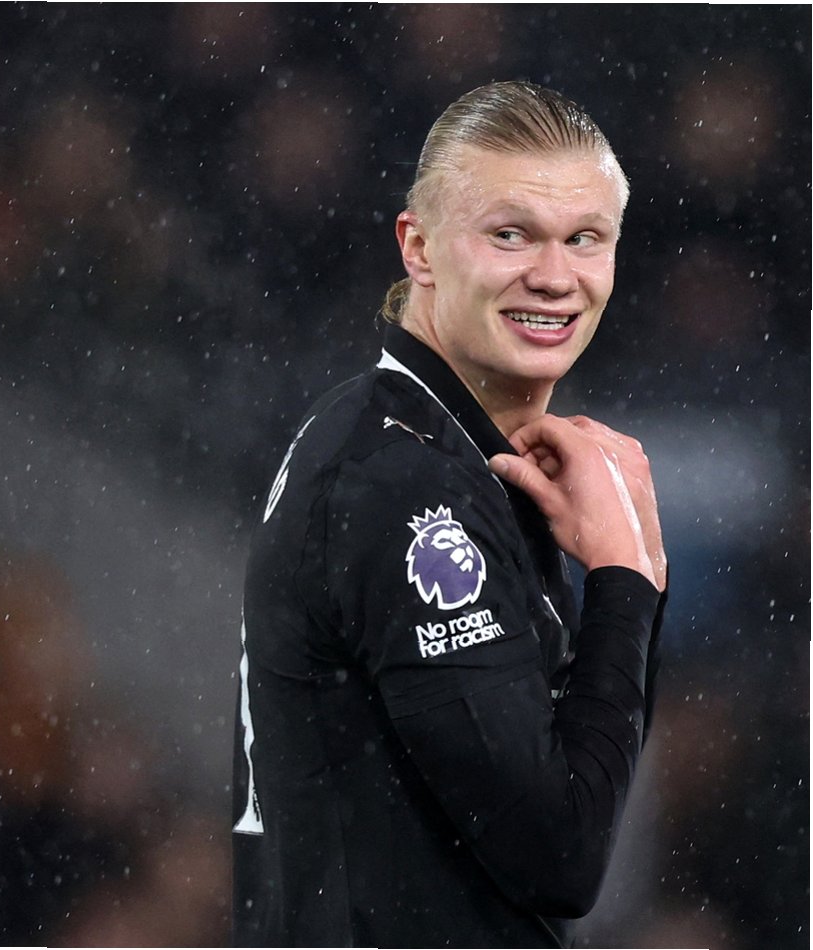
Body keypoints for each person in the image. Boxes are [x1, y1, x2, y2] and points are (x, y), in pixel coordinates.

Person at [231, 81, 667, 948]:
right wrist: (625, 581)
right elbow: (562, 856)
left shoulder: (402, 443)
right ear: (419, 248)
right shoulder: (404, 488)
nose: (554, 276)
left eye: (584, 238)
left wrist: (632, 570)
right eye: (510, 234)